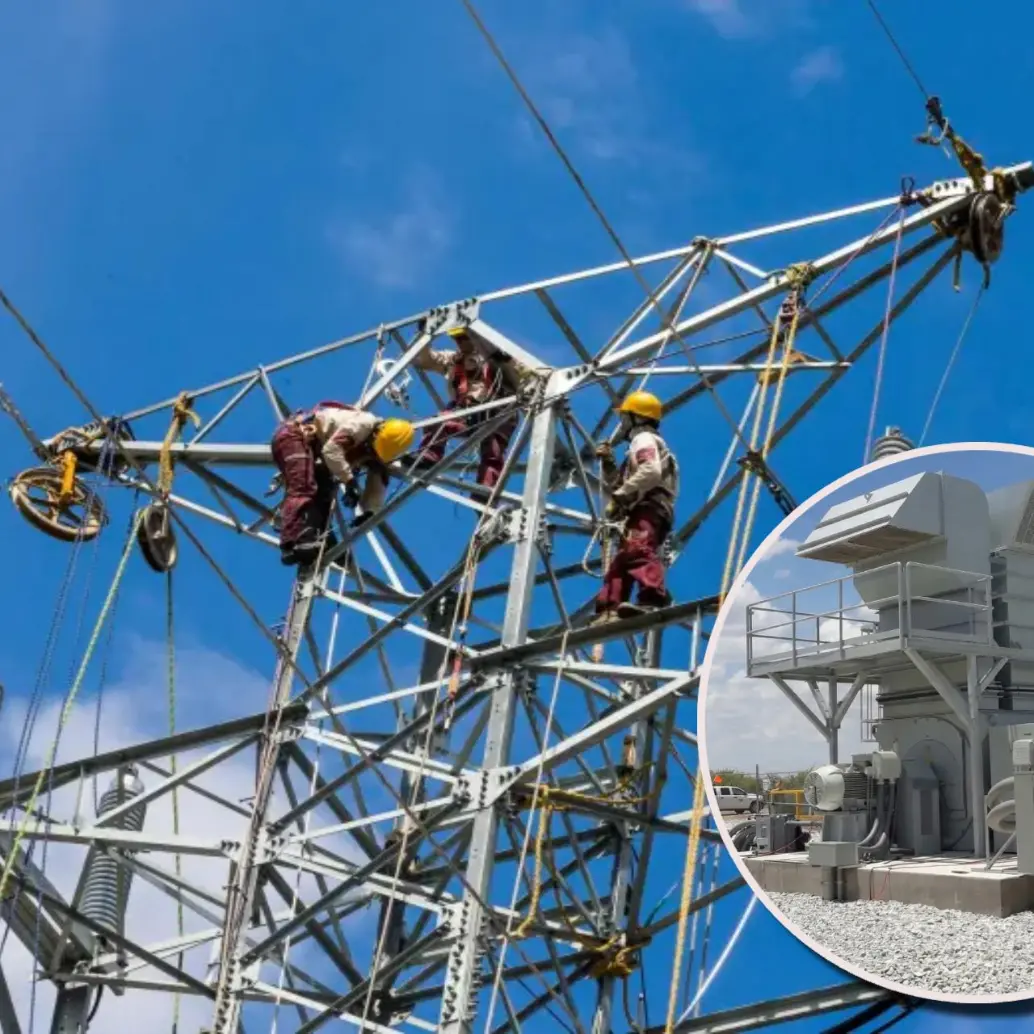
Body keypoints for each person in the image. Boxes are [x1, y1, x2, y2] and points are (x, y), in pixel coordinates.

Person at [271, 401, 414, 567]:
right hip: (293, 437)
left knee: (324, 491)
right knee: (302, 487)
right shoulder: (363, 423)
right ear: (377, 433)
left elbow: (378, 481)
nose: (370, 451)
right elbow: (331, 450)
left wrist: (369, 511)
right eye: (371, 447)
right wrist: (349, 482)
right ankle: (292, 542)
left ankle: (320, 539)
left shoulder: (382, 451)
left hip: (315, 451)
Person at [593, 390, 678, 622]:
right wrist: (609, 464)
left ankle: (653, 598)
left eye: (624, 418)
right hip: (645, 507)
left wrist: (620, 498)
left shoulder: (644, 439)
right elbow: (624, 483)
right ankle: (609, 608)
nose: (621, 424)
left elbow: (650, 471)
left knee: (637, 549)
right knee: (621, 562)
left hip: (650, 506)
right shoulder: (640, 446)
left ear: (636, 418)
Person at [410, 325, 525, 489]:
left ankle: (484, 493)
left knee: (492, 454)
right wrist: (425, 334)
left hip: (499, 413)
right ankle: (427, 457)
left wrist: (507, 361)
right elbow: (426, 360)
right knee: (438, 422)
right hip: (466, 412)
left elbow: (526, 378)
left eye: (463, 337)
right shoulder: (453, 359)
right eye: (456, 338)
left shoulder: (494, 356)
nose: (460, 342)